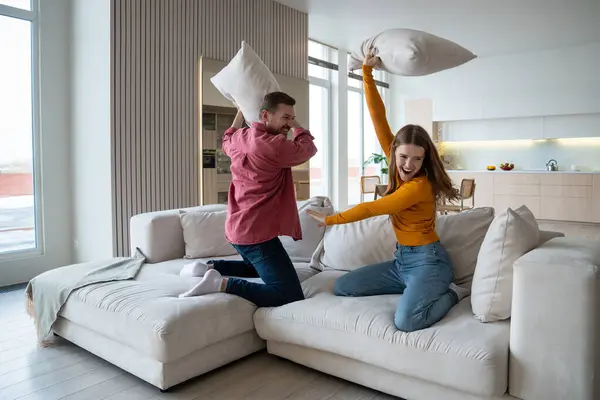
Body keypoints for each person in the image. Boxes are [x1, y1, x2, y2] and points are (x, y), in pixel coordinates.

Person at [307, 52, 469, 332]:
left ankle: (454, 293)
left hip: (428, 263)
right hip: (402, 261)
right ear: (395, 152)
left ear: (425, 159)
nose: (409, 165)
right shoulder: (397, 162)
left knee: (406, 321)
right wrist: (367, 73)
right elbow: (377, 117)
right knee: (343, 286)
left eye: (418, 159)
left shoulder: (420, 186)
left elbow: (372, 208)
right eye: (404, 156)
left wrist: (330, 220)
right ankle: (414, 290)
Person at [179, 91, 317, 308]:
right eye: (285, 118)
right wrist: (298, 125)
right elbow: (308, 148)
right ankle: (221, 283)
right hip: (257, 233)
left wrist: (239, 112)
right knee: (288, 295)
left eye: (291, 118)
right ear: (265, 115)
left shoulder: (239, 138)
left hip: (237, 228)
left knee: (256, 266)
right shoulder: (274, 146)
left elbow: (227, 136)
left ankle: (207, 268)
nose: (289, 124)